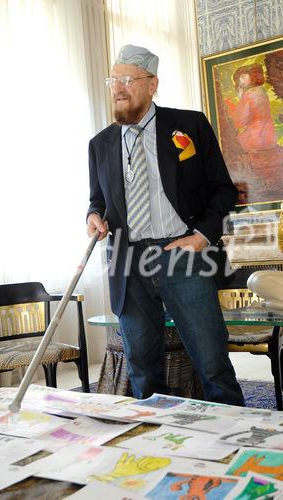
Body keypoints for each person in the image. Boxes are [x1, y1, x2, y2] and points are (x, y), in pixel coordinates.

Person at [86, 44, 244, 405]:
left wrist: (202, 237)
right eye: (114, 79)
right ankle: (156, 447)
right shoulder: (100, 144)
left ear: (152, 83)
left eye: (127, 79)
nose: (118, 87)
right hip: (128, 262)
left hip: (183, 254)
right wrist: (93, 215)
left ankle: (237, 446)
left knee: (212, 362)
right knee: (142, 367)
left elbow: (223, 190)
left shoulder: (189, 125)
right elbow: (98, 198)